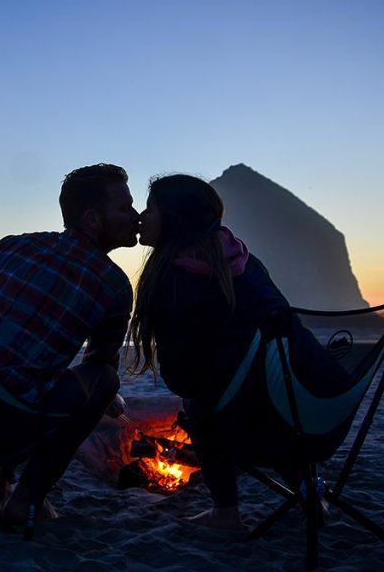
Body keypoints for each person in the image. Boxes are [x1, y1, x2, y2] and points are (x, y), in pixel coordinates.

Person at [0, 163, 140, 523]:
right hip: (0, 432)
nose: (135, 216)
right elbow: (99, 363)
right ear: (92, 219)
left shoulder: (17, 245)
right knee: (103, 381)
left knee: (8, 379)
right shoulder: (114, 286)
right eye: (125, 207)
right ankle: (25, 500)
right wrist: (109, 396)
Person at [128, 174, 344, 530]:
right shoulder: (245, 261)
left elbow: (182, 378)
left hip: (270, 432)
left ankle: (225, 511)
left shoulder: (176, 281)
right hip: (327, 416)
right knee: (262, 385)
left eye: (149, 207)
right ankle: (308, 493)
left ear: (173, 219)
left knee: (201, 401)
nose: (141, 214)